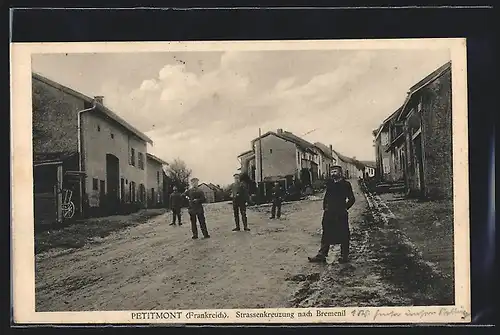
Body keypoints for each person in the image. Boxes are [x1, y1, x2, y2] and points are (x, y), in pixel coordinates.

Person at [308, 165, 355, 264]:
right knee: (326, 233)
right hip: (329, 213)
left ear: (340, 173)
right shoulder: (330, 184)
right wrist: (325, 207)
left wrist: (345, 208)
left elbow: (352, 199)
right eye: (332, 172)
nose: (333, 174)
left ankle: (344, 256)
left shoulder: (346, 184)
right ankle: (322, 255)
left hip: (340, 213)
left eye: (335, 172)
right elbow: (326, 197)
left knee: (344, 233)